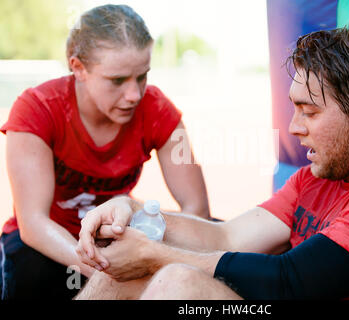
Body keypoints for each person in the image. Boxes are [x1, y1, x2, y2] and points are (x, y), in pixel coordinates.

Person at [75, 24, 349, 300]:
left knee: (177, 283)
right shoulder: (316, 178)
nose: (294, 127)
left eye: (309, 111)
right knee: (122, 273)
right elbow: (226, 236)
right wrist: (134, 211)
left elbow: (293, 281)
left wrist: (153, 256)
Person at [0, 4, 210, 300]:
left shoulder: (158, 109)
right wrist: (107, 270)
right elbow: (33, 224)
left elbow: (197, 209)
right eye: (117, 80)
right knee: (31, 272)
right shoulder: (38, 109)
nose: (134, 95)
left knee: (210, 241)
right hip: (52, 242)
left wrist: (152, 257)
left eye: (142, 76)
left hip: (115, 235)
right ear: (78, 68)